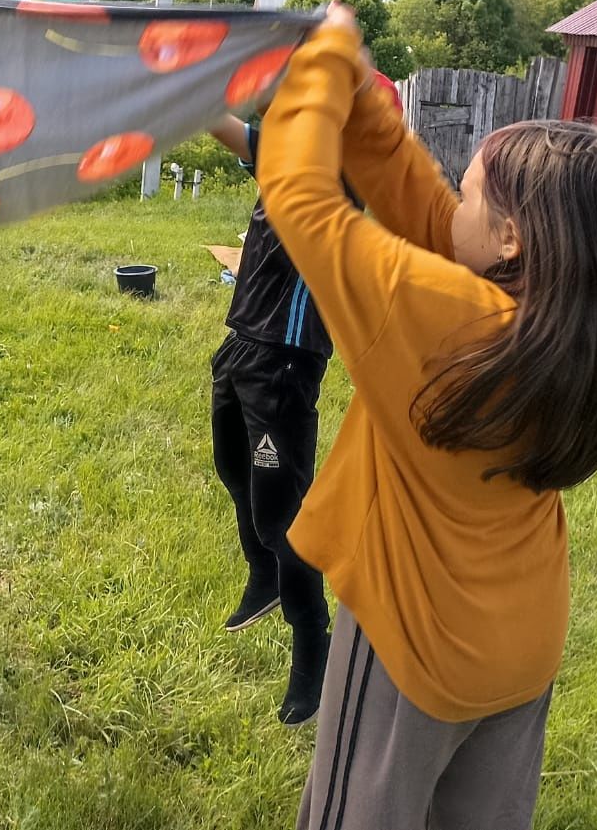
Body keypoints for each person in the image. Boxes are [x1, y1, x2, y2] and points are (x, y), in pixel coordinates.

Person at [254, 5, 597, 829]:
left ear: (512, 239)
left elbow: (299, 197)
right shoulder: (572, 329)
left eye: (472, 191)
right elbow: (432, 215)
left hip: (418, 648)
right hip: (520, 643)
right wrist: (364, 100)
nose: (454, 201)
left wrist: (319, 68)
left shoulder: (443, 321)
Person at [207, 73, 401, 728]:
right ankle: (263, 575)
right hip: (242, 344)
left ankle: (311, 641)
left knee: (283, 512)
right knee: (231, 464)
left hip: (285, 366)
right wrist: (187, 91)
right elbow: (228, 125)